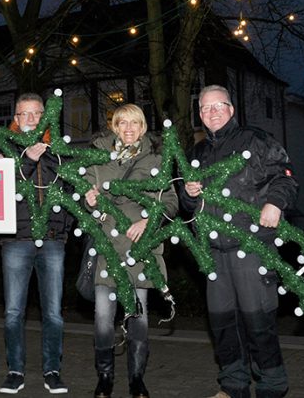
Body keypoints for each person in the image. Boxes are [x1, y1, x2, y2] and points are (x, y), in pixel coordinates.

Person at [181, 85, 298, 398]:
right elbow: (188, 206)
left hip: (251, 247)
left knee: (257, 322)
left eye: (219, 105)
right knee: (221, 324)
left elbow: (285, 177)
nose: (212, 112)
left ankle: (272, 386)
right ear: (200, 115)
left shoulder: (254, 140)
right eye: (205, 108)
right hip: (213, 253)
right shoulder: (197, 154)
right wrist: (189, 196)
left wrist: (275, 202)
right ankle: (233, 385)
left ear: (231, 109)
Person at [83, 104, 178, 398]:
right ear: (114, 126)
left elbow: (171, 201)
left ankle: (137, 379)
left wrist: (149, 220)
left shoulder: (157, 159)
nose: (128, 128)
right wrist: (89, 201)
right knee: (103, 318)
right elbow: (86, 199)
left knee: (138, 317)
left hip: (139, 251)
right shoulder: (97, 157)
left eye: (134, 123)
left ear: (143, 127)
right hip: (107, 250)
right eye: (122, 123)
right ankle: (105, 378)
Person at [0, 93, 73, 395]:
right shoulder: (4, 149)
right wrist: (26, 160)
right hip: (17, 238)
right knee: (14, 311)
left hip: (53, 240)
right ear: (15, 119)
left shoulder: (60, 151)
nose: (29, 119)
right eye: (23, 114)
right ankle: (15, 370)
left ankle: (52, 370)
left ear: (45, 116)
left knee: (53, 312)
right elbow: (4, 190)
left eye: (35, 113)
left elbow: (71, 191)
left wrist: (65, 227)